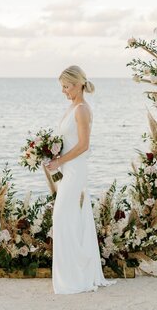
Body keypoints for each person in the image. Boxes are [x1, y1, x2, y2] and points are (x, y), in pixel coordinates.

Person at [46, 65, 118, 294]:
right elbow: (68, 140)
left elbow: (84, 145)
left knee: (63, 217)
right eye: (62, 87)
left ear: (78, 85)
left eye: (66, 86)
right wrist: (52, 155)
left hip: (75, 171)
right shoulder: (72, 107)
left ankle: (75, 275)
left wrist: (59, 161)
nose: (64, 91)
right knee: (68, 219)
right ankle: (72, 273)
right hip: (67, 168)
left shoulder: (82, 110)